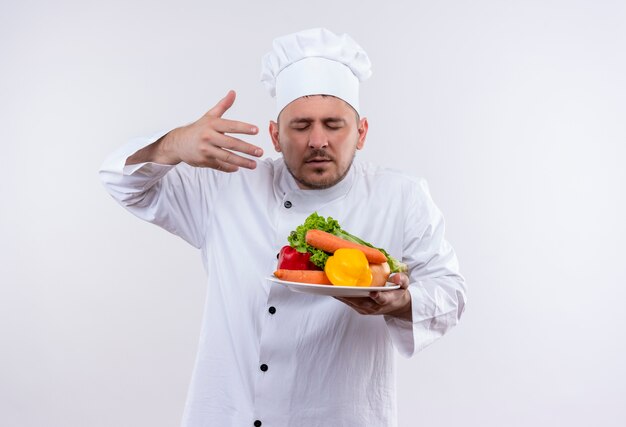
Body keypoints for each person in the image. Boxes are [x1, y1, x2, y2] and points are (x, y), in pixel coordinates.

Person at [100, 28, 466, 427]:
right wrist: (171, 145)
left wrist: (403, 302)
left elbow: (450, 291)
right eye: (300, 125)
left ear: (361, 133)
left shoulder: (401, 196)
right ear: (275, 135)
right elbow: (122, 184)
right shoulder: (228, 185)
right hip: (228, 415)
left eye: (334, 124)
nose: (317, 140)